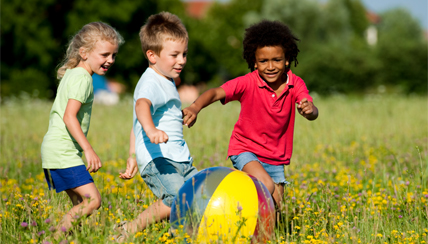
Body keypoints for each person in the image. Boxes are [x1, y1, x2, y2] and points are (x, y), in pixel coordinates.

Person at [182, 20, 319, 210]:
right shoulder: (247, 83)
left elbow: (311, 109)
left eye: (276, 60)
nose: (270, 66)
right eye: (263, 61)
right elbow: (215, 92)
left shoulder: (295, 84)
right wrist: (195, 107)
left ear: (287, 60)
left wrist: (309, 110)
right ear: (255, 62)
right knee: (266, 186)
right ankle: (233, 202)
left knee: (276, 208)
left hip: (276, 157)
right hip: (245, 149)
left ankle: (262, 236)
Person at [117, 12, 198, 238]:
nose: (182, 60)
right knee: (177, 199)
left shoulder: (166, 80)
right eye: (175, 55)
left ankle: (183, 233)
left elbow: (137, 123)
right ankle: (131, 229)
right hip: (158, 159)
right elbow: (141, 107)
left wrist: (132, 155)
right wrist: (152, 131)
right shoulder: (151, 82)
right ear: (152, 55)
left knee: (200, 195)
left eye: (184, 54)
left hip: (179, 158)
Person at [41, 22, 124, 238]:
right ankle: (52, 240)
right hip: (63, 151)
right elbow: (70, 116)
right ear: (84, 53)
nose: (110, 61)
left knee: (79, 204)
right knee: (93, 200)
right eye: (105, 54)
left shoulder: (73, 73)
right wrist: (88, 149)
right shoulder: (83, 79)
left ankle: (70, 240)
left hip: (55, 149)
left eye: (114, 55)